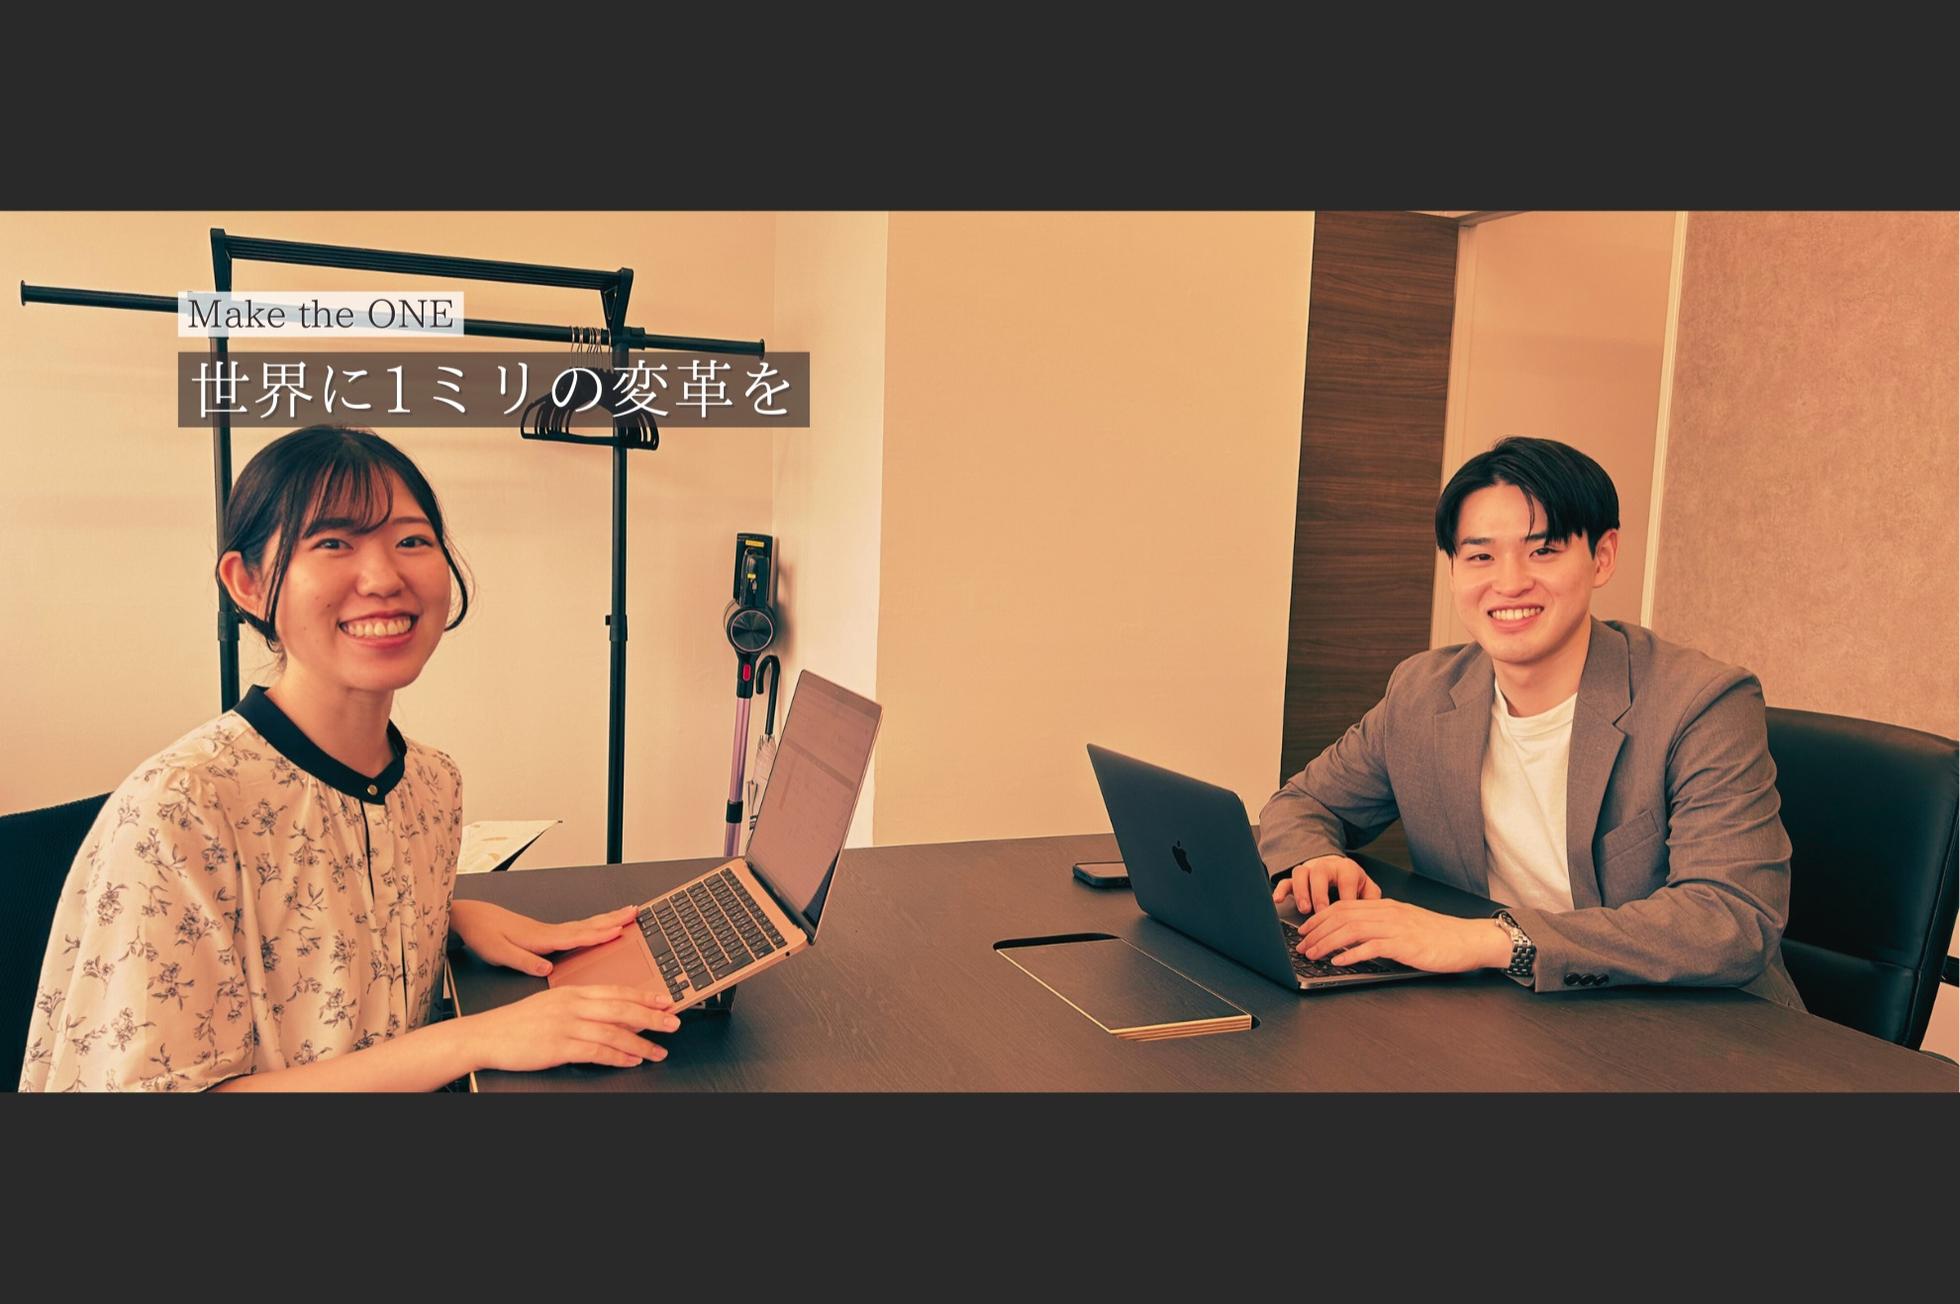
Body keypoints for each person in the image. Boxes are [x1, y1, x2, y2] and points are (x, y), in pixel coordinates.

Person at [20, 425, 680, 1091]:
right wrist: (477, 1038)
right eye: (333, 543)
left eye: (412, 541)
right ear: (248, 583)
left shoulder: (431, 783)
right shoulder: (180, 809)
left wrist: (446, 915)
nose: (385, 578)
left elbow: (324, 917)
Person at [1260, 436, 1803, 1008]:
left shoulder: (1701, 702)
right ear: (1453, 570)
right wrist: (1314, 858)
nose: (1510, 582)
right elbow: (1304, 803)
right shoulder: (1422, 692)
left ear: (1602, 557)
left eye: (1543, 551)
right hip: (1513, 1010)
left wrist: (1492, 941)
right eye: (1480, 556)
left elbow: (1731, 917)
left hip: (1697, 1023)